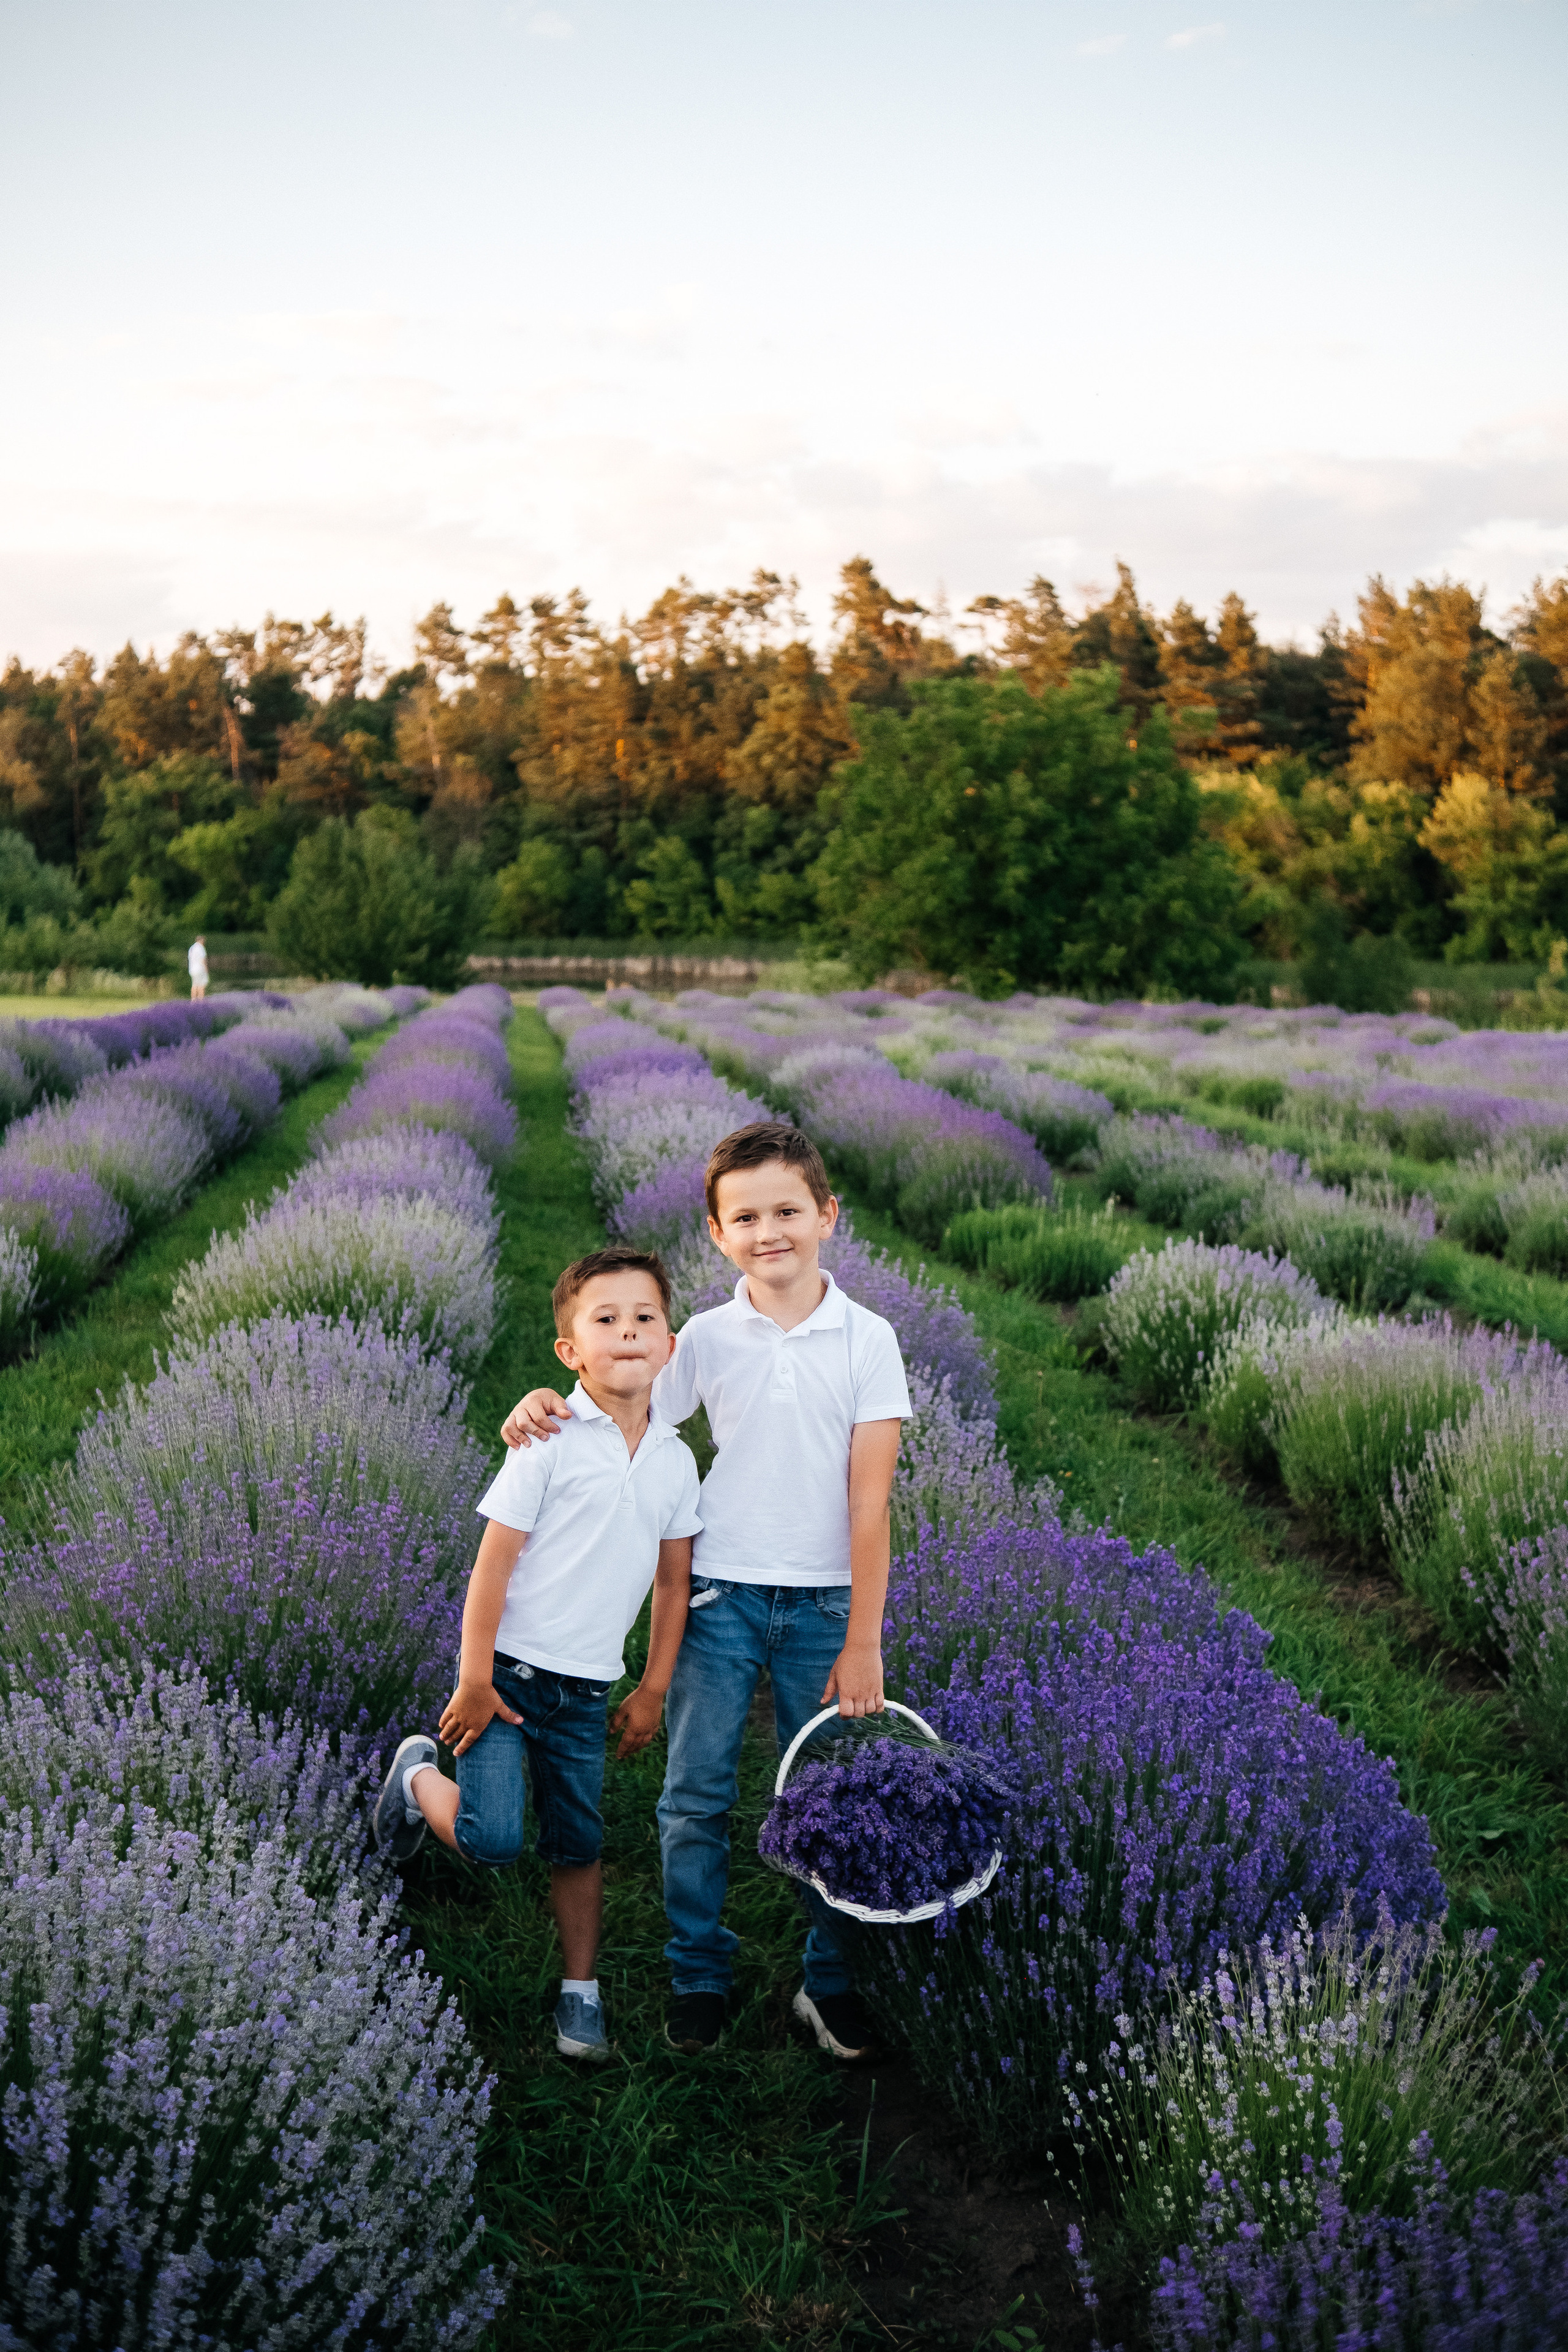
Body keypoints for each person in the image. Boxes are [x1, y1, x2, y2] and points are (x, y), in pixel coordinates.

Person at [500, 1121, 910, 2062]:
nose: (771, 1231)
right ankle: (699, 1972)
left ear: (827, 1217)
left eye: (788, 1211)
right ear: (719, 1235)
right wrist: (538, 1404)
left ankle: (828, 1979)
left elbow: (871, 1496)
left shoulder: (870, 1340)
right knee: (695, 1793)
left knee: (831, 1798)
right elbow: (620, 1390)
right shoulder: (708, 1338)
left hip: (824, 1607)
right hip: (720, 1592)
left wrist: (865, 1640)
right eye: (746, 1216)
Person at [372, 1245, 702, 2064]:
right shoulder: (546, 1437)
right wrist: (474, 1678)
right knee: (493, 1842)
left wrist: (654, 1687)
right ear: (570, 1350)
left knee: (578, 1841)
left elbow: (671, 1585)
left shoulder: (675, 1460)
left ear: (669, 1342)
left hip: (587, 1693)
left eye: (644, 1318)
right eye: (605, 1319)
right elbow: (495, 1564)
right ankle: (417, 1778)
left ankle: (580, 1990)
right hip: (509, 1681)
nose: (627, 1331)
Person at [187, 935, 209, 999]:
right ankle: (201, 1001)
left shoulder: (192, 948)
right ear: (201, 940)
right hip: (200, 969)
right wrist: (206, 969)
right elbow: (203, 960)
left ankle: (193, 1000)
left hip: (192, 969)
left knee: (194, 985)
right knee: (202, 985)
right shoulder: (201, 948)